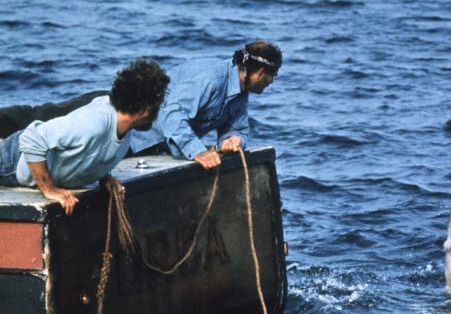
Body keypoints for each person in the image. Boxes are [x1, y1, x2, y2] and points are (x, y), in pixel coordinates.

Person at [0, 58, 170, 216]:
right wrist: (49, 189)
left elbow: (97, 148)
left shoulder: (124, 127)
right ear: (144, 110)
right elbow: (32, 138)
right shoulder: (94, 122)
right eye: (159, 104)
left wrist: (104, 177)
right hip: (11, 161)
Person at [128, 40, 282, 169]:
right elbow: (172, 114)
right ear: (261, 73)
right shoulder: (211, 78)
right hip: (133, 140)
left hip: (162, 152)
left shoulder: (241, 92)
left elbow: (237, 129)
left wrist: (232, 139)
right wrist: (198, 152)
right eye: (272, 76)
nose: (271, 82)